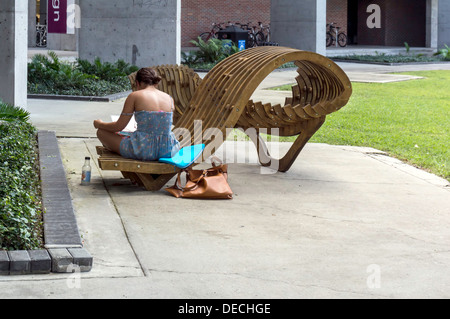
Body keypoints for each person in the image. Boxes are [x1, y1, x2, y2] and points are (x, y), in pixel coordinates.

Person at [94, 68, 180, 161]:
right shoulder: (169, 98)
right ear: (156, 83)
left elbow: (118, 127)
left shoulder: (135, 95)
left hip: (143, 150)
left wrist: (99, 124)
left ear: (137, 83)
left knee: (101, 132)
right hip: (168, 150)